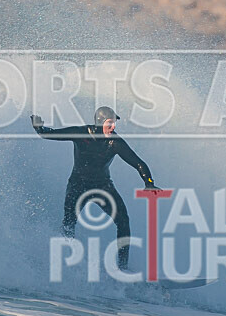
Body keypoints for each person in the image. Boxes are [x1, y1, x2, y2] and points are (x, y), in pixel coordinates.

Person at [30, 106, 160, 270]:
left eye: (114, 124)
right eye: (109, 123)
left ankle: (122, 267)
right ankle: (63, 263)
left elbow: (138, 163)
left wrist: (149, 183)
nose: (113, 128)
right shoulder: (81, 133)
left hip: (102, 186)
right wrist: (39, 128)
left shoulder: (115, 142)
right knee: (69, 223)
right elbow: (50, 134)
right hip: (78, 186)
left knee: (123, 221)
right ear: (99, 122)